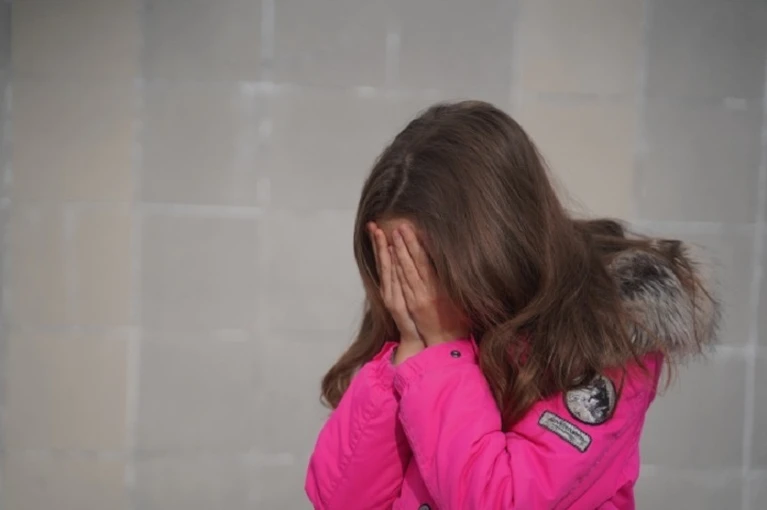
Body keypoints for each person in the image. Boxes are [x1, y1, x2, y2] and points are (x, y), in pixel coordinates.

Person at [304, 101, 720, 510]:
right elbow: (340, 500)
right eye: (395, 262)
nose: (413, 286)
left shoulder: (600, 334)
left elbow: (502, 501)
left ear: (491, 242)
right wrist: (410, 354)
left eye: (423, 262)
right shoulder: (423, 335)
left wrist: (442, 353)